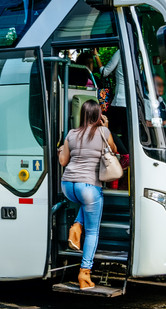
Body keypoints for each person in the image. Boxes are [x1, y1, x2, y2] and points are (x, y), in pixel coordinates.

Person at [58, 99, 118, 290]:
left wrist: (61, 149)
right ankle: (84, 274)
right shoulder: (103, 132)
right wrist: (106, 127)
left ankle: (76, 226)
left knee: (86, 203)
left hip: (68, 186)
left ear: (83, 115)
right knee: (92, 232)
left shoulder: (71, 134)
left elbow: (63, 161)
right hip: (89, 187)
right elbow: (114, 151)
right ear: (98, 115)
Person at [94, 49, 127, 146]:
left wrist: (96, 55)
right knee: (126, 133)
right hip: (131, 101)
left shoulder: (120, 52)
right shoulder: (137, 53)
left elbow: (104, 72)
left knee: (108, 130)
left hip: (119, 101)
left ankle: (121, 153)